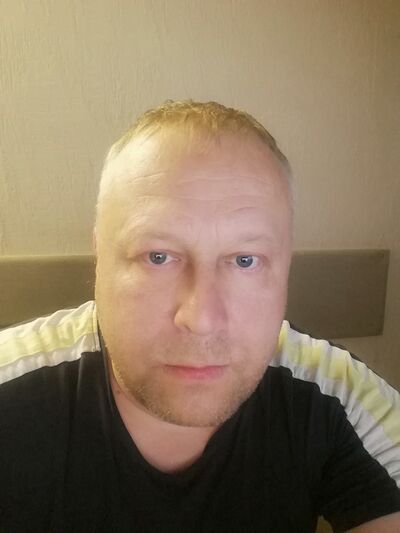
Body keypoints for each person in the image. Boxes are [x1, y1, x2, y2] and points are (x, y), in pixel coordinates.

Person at [0, 100, 399, 533]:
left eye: (245, 260)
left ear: (287, 267)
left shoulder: (339, 396)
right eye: (157, 256)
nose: (201, 318)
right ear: (100, 259)